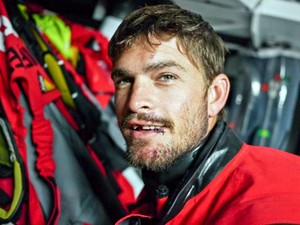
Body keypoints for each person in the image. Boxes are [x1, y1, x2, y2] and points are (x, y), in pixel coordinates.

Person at [108, 4, 300, 225]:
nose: (135, 102)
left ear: (215, 95)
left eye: (166, 76)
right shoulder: (163, 187)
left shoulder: (269, 206)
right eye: (124, 80)